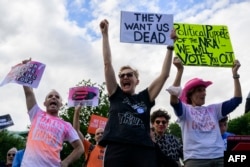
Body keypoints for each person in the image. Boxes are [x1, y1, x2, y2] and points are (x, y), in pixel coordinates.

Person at [98, 19, 176, 167]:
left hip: (143, 149)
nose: (125, 77)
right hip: (117, 148)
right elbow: (107, 64)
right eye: (122, 76)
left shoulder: (145, 98)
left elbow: (164, 75)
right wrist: (105, 35)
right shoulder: (115, 95)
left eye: (129, 75)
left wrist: (170, 46)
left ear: (137, 81)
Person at [168, 57, 242, 167]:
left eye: (204, 90)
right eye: (199, 90)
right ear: (190, 95)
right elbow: (174, 99)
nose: (204, 93)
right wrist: (180, 71)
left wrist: (235, 75)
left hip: (219, 157)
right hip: (196, 159)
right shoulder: (185, 110)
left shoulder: (214, 110)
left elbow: (237, 100)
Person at [20, 59, 84, 167]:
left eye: (57, 97)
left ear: (61, 104)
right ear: (44, 103)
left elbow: (80, 148)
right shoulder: (36, 114)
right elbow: (29, 93)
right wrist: (26, 70)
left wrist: (66, 162)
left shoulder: (66, 126)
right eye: (50, 96)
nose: (53, 97)